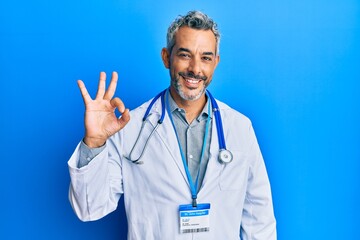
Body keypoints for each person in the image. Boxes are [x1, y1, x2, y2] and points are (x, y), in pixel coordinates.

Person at [68, 10, 276, 240]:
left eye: (206, 58)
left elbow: (260, 221)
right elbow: (89, 208)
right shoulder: (130, 126)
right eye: (185, 55)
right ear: (167, 57)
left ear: (215, 63)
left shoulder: (239, 127)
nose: (195, 69)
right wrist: (95, 142)